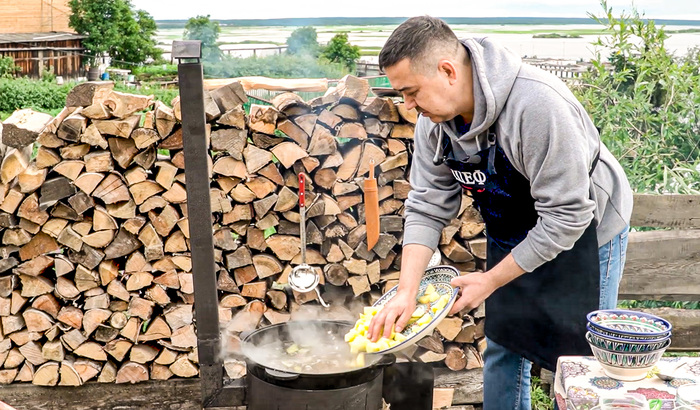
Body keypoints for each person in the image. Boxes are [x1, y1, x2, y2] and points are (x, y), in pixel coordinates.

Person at [368, 16, 633, 409]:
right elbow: (426, 205)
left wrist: (491, 279)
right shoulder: (433, 123)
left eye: (411, 92)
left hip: (587, 228)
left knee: (582, 359)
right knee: (504, 343)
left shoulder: (538, 107)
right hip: (512, 226)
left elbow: (567, 216)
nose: (408, 106)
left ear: (447, 71)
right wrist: (407, 291)